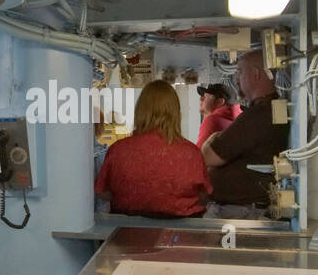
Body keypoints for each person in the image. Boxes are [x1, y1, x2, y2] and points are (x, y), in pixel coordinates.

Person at [95, 79, 211, 217]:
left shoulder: (117, 150)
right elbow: (205, 194)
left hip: (127, 232)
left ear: (139, 111)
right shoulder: (191, 153)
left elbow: (102, 192)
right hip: (183, 232)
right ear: (176, 114)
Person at [201, 50, 289, 214]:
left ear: (256, 74)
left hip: (240, 212)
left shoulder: (259, 114)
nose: (236, 79)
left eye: (240, 72)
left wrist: (212, 138)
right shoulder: (268, 109)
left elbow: (209, 156)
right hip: (242, 209)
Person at [196, 82, 241, 147]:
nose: (201, 99)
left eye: (206, 96)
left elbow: (198, 154)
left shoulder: (212, 121)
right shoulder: (236, 121)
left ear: (220, 102)